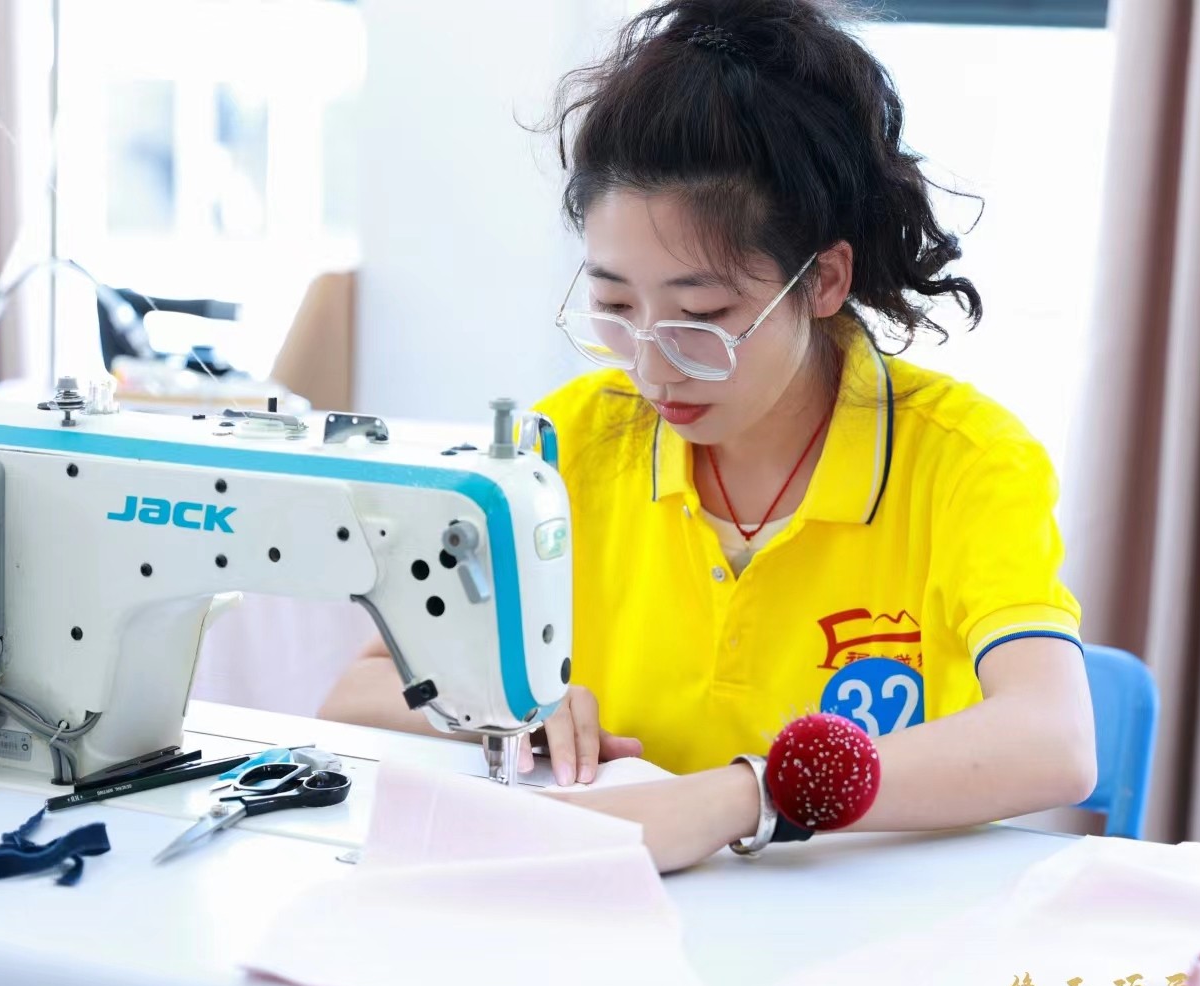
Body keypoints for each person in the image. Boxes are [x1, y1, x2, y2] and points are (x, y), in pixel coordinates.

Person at [320, 0, 1096, 872]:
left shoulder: (963, 460)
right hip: (617, 903)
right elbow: (358, 688)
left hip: (871, 919)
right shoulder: (570, 443)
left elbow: (1054, 739)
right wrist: (491, 706)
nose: (652, 368)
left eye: (702, 316)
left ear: (824, 279)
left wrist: (744, 794)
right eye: (615, 305)